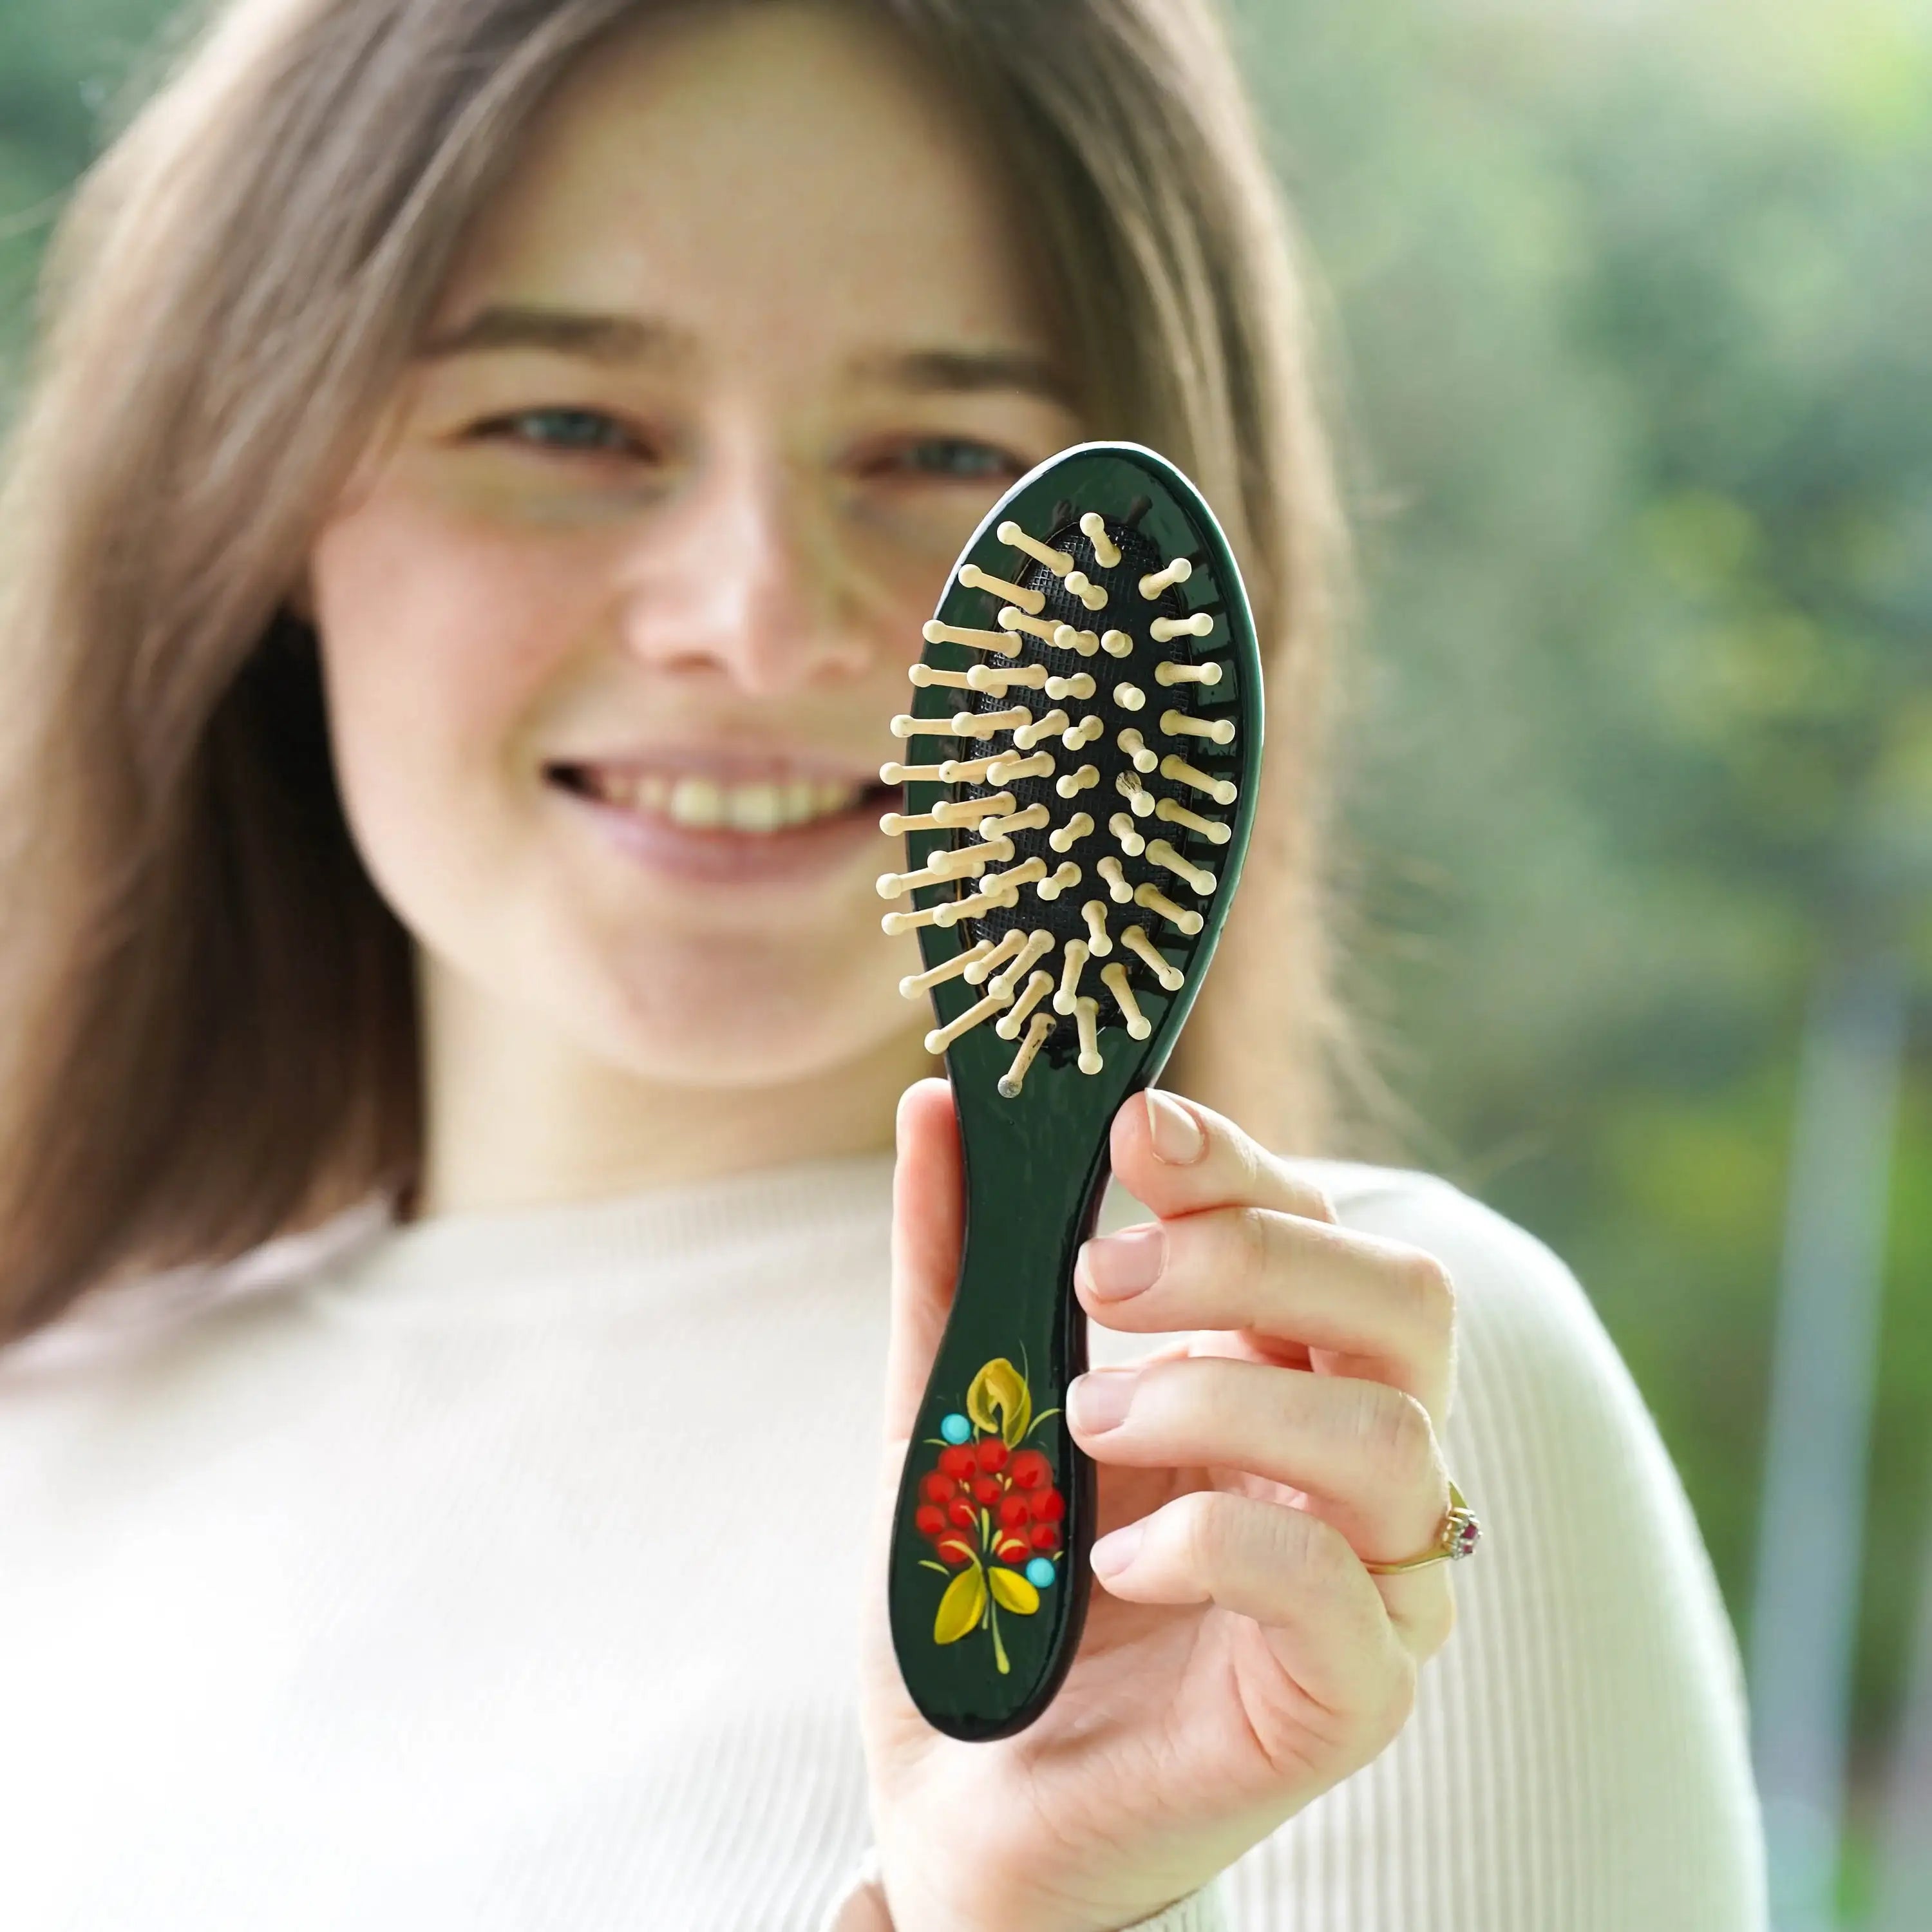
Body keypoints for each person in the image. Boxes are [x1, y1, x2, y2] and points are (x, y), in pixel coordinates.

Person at [0, 0, 1765, 1926]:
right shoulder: (48, 1446)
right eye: (568, 424)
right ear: (247, 491)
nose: (759, 616)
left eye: (941, 450)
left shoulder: (1310, 1456)